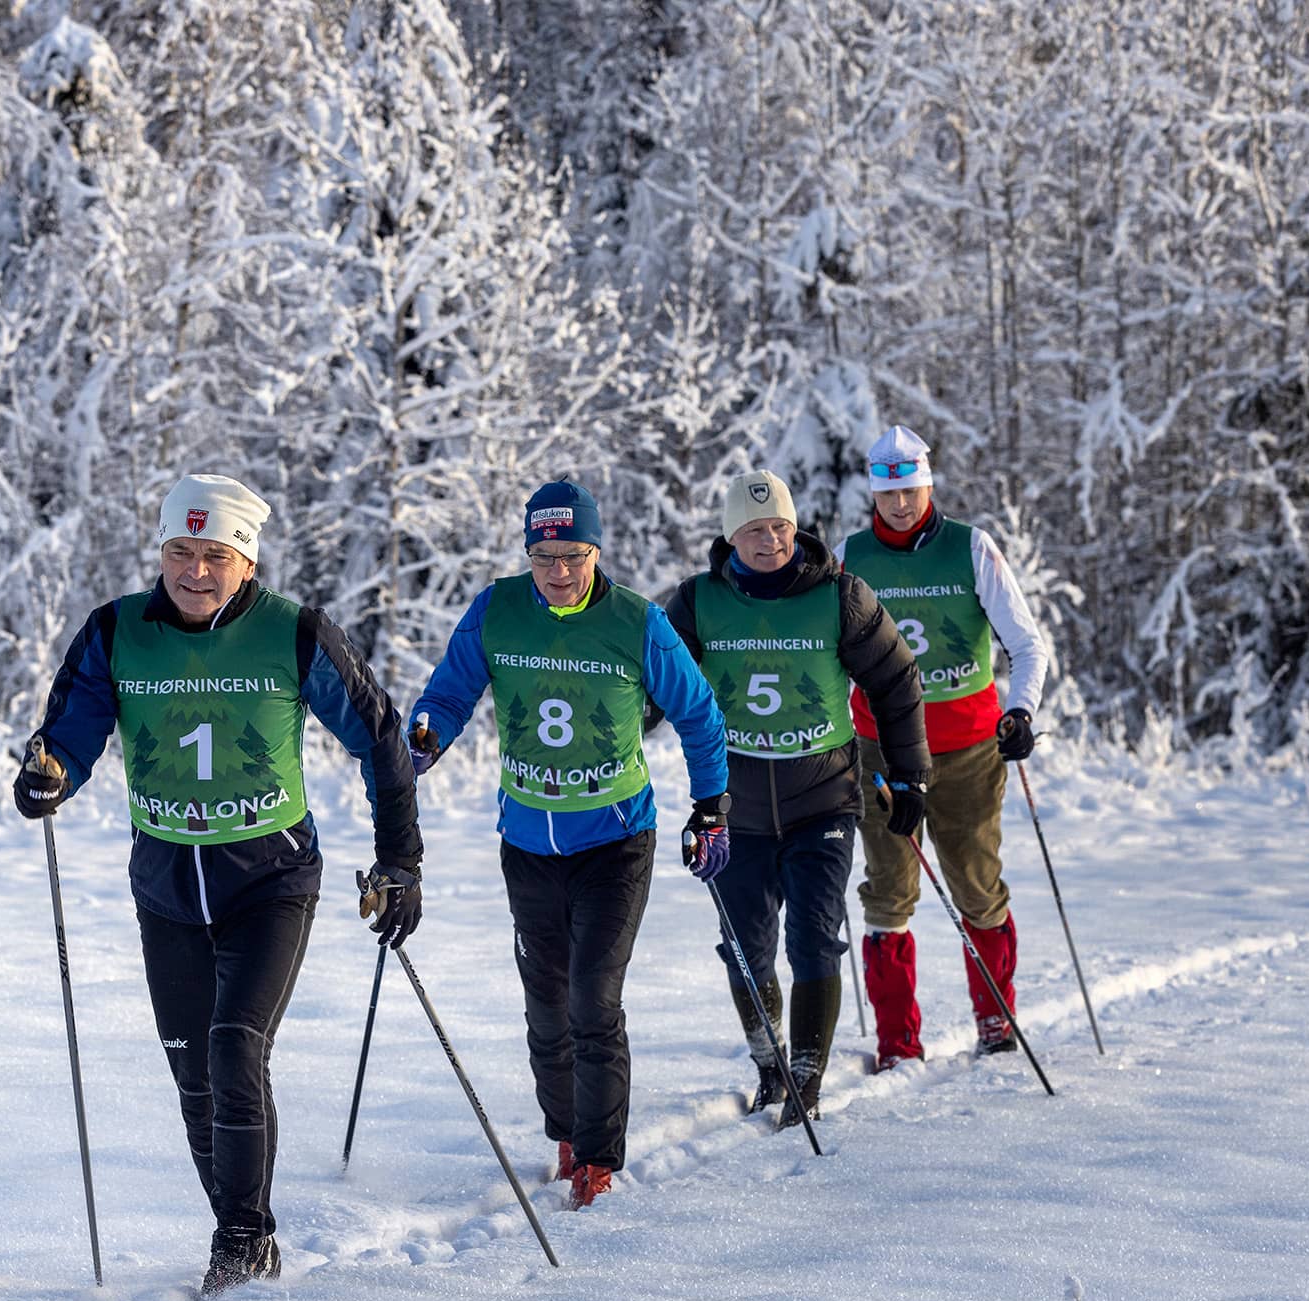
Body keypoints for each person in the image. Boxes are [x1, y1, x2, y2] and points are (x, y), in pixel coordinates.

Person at [15, 474, 422, 1296]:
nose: (195, 572)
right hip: (165, 880)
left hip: (267, 877)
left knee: (236, 1047)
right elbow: (69, 734)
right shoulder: (115, 630)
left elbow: (380, 736)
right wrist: (47, 776)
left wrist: (399, 861)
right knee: (191, 1074)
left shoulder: (294, 632)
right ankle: (232, 1221)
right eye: (179, 551)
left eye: (215, 555)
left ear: (245, 560)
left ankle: (243, 1241)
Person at [406, 480, 730, 1209]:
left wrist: (711, 807)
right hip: (526, 840)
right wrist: (426, 733)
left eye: (573, 555)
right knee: (546, 1003)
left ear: (596, 550)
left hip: (615, 841)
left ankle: (597, 1155)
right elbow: (449, 694)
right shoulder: (497, 610)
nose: (558, 571)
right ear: (529, 551)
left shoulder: (637, 622)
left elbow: (700, 714)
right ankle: (565, 1130)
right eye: (545, 556)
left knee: (593, 996)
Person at [664, 470, 928, 1124]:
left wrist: (909, 775)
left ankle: (807, 1079)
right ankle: (771, 1064)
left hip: (823, 802)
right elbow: (653, 685)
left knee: (815, 939)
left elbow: (896, 681)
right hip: (734, 810)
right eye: (754, 529)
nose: (770, 540)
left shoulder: (840, 596)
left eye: (779, 526)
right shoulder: (696, 602)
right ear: (732, 536)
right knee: (745, 949)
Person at [840, 426, 1052, 1065]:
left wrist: (1021, 712)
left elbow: (1026, 643)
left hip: (966, 748)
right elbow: (829, 656)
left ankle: (995, 1017)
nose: (901, 504)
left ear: (928, 483)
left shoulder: (970, 547)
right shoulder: (851, 557)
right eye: (889, 492)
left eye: (911, 489)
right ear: (874, 493)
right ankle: (897, 1042)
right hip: (880, 748)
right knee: (888, 892)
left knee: (975, 884)